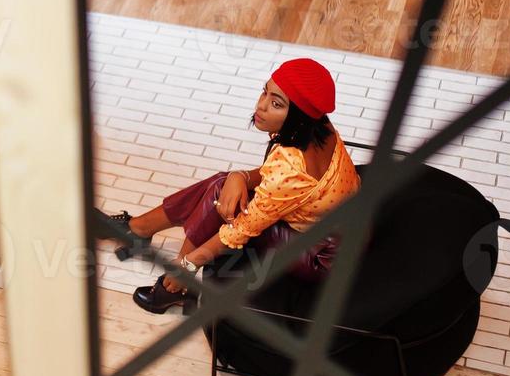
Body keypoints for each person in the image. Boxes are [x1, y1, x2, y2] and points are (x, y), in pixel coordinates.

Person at [103, 58, 360, 314]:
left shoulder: (290, 168)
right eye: (265, 92)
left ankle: (175, 281)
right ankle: (141, 229)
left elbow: (241, 230)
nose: (261, 106)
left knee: (220, 195)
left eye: (276, 104)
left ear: (299, 117)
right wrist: (241, 177)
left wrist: (189, 265)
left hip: (320, 255)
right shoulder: (319, 127)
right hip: (344, 226)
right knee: (225, 184)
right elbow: (287, 182)